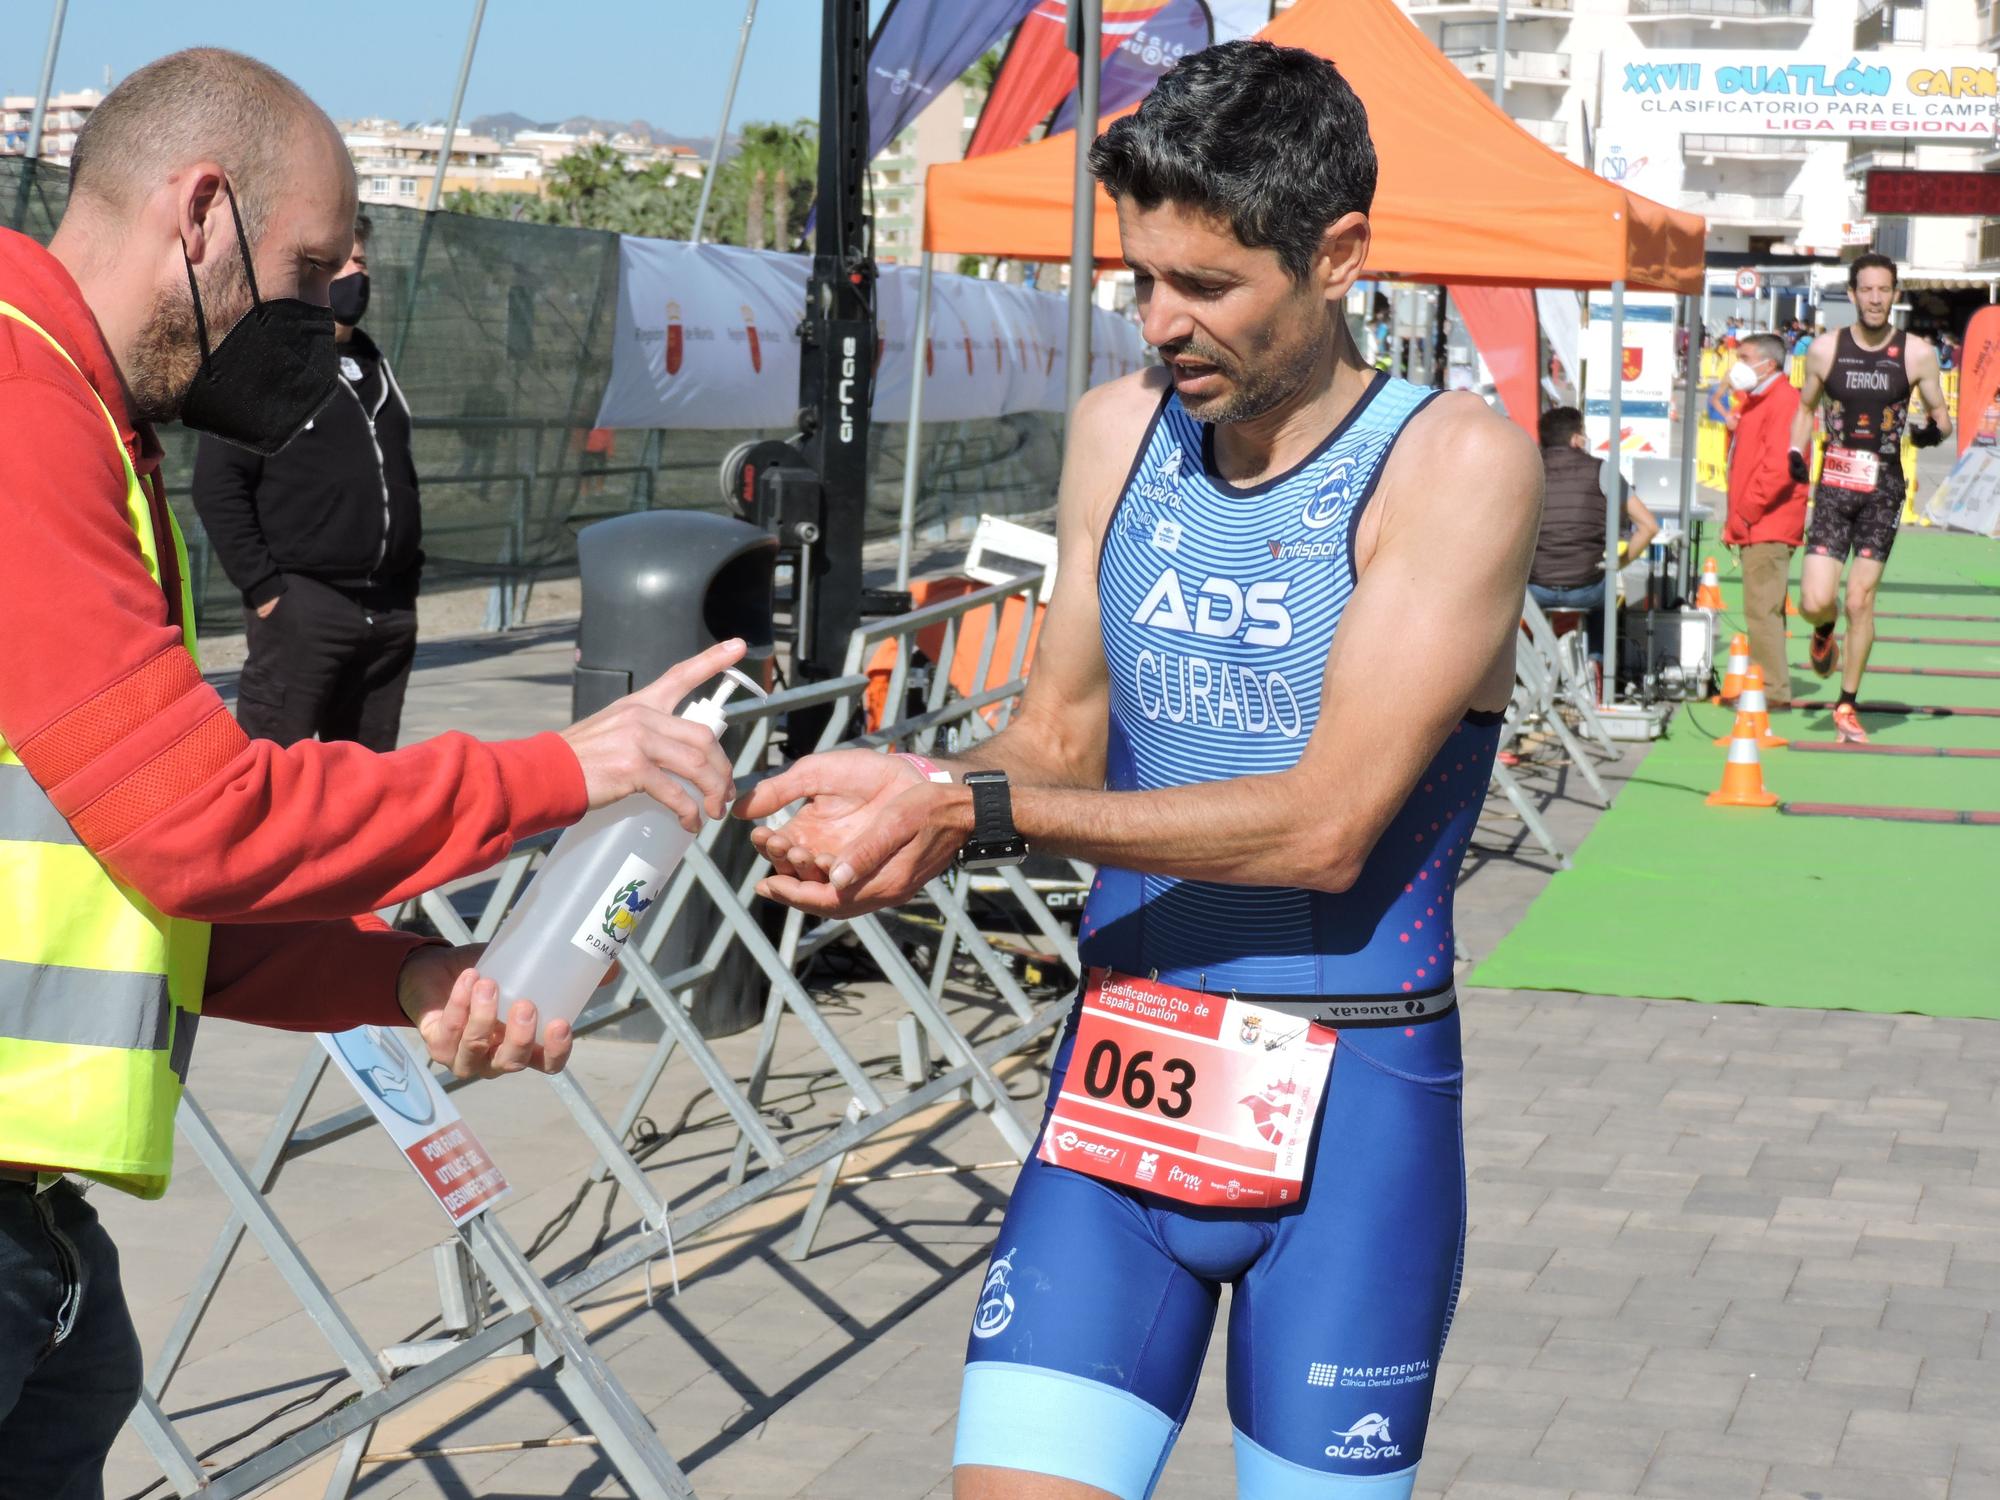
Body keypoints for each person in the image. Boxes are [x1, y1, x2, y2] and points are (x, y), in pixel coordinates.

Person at [739, 40, 1542, 1500]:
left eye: (1208, 287)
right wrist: (902, 809)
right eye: (1139, 281)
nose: (1161, 324)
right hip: (1125, 1084)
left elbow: (1327, 827)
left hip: (1351, 1113)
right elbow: (1051, 740)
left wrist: (972, 812)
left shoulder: (1451, 464)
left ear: (1338, 256)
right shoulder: (1121, 436)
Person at [0, 49, 740, 1496]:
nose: (333, 315)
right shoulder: (19, 403)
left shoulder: (80, 412)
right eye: (314, 267)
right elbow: (197, 823)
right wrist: (556, 768)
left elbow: (135, 892)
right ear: (201, 215)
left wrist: (406, 979)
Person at [192, 213, 422, 750]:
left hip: (387, 613)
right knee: (274, 768)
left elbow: (400, 477)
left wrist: (406, 588)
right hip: (304, 608)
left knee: (368, 784)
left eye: (359, 261)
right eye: (337, 262)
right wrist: (268, 591)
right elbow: (218, 486)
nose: (352, 274)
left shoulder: (376, 365)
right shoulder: (265, 361)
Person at [1790, 254, 1952, 743]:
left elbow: (1942, 417)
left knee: (1861, 599)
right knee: (1815, 600)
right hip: (1836, 485)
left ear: (1895, 294)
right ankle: (1823, 630)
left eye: (1885, 290)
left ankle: (1846, 704)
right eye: (1867, 290)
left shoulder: (1917, 354)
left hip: (1884, 490)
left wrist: (1930, 435)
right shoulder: (1825, 349)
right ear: (1853, 293)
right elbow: (1804, 408)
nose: (1876, 299)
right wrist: (1796, 453)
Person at [1528, 406, 1657, 664]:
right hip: (1586, 585)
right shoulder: (1600, 470)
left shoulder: (1527, 469)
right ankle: (1597, 667)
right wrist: (1618, 564)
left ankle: (1528, 670)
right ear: (1576, 438)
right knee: (1606, 596)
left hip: (1535, 587)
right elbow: (1649, 527)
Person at [1722, 333, 1809, 707]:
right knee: (1763, 608)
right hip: (1761, 520)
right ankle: (1764, 683)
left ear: (1768, 364)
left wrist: (1745, 513)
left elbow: (1777, 469)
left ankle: (1771, 690)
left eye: (1744, 357)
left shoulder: (1783, 401)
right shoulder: (1761, 400)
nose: (1736, 364)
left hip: (1767, 521)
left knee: (1762, 609)